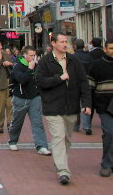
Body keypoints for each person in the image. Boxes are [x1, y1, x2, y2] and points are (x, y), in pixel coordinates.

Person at [35, 32, 91, 185]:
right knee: (58, 137)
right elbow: (39, 81)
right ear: (53, 43)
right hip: (52, 106)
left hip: (71, 106)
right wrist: (59, 78)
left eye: (66, 42)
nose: (64, 44)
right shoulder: (45, 61)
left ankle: (60, 162)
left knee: (66, 138)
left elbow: (83, 82)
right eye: (61, 42)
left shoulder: (74, 61)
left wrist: (86, 103)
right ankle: (63, 171)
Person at [7, 46, 51, 155]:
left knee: (38, 122)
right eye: (31, 55)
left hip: (34, 97)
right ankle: (12, 141)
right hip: (20, 98)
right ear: (25, 55)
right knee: (17, 122)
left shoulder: (37, 66)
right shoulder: (18, 66)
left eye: (34, 55)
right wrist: (29, 69)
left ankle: (41, 146)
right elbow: (21, 80)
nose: (33, 57)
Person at [88, 38, 113, 177]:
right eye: (111, 48)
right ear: (105, 49)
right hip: (104, 106)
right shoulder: (97, 65)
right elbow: (90, 86)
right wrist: (88, 105)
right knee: (109, 133)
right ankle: (106, 164)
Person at [72, 39, 94, 134]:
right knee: (86, 104)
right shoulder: (89, 57)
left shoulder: (72, 58)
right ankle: (87, 126)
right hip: (87, 83)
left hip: (75, 84)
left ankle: (76, 126)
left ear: (75, 47)